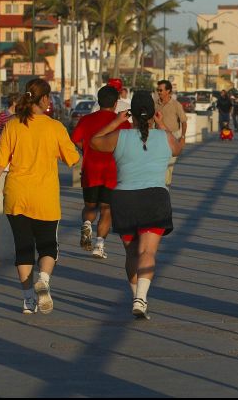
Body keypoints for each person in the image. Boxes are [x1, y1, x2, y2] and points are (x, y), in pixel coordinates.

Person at [0, 78, 80, 315]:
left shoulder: (11, 126)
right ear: (45, 99)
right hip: (44, 197)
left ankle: (27, 300)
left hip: (16, 195)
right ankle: (43, 280)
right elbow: (73, 158)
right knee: (48, 246)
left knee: (23, 248)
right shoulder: (55, 127)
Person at [91, 91, 184, 319]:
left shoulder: (119, 137)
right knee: (147, 251)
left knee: (132, 253)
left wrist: (116, 121)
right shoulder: (164, 138)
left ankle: (136, 297)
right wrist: (162, 124)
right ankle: (141, 298)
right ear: (154, 114)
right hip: (154, 199)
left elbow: (94, 142)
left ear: (130, 113)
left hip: (124, 200)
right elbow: (178, 148)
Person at [71, 85, 131, 259]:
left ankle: (87, 223)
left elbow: (75, 139)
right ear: (115, 103)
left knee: (90, 206)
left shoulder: (86, 120)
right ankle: (99, 245)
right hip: (112, 171)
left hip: (90, 169)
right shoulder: (122, 123)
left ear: (98, 100)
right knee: (107, 209)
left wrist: (86, 151)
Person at [154, 80, 187, 186]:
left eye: (160, 90)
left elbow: (184, 122)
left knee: (169, 163)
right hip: (158, 136)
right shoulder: (155, 104)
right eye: (157, 90)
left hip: (173, 136)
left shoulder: (176, 105)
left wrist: (182, 137)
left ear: (168, 91)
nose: (158, 92)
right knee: (158, 162)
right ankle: (159, 183)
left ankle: (165, 185)